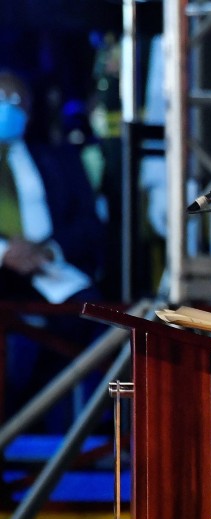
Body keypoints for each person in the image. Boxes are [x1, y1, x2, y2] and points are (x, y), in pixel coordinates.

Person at [0, 68, 106, 423]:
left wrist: (47, 251)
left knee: (105, 328)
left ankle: (77, 440)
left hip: (52, 274)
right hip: (4, 278)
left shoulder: (58, 160)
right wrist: (6, 254)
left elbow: (90, 226)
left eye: (15, 101)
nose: (7, 108)